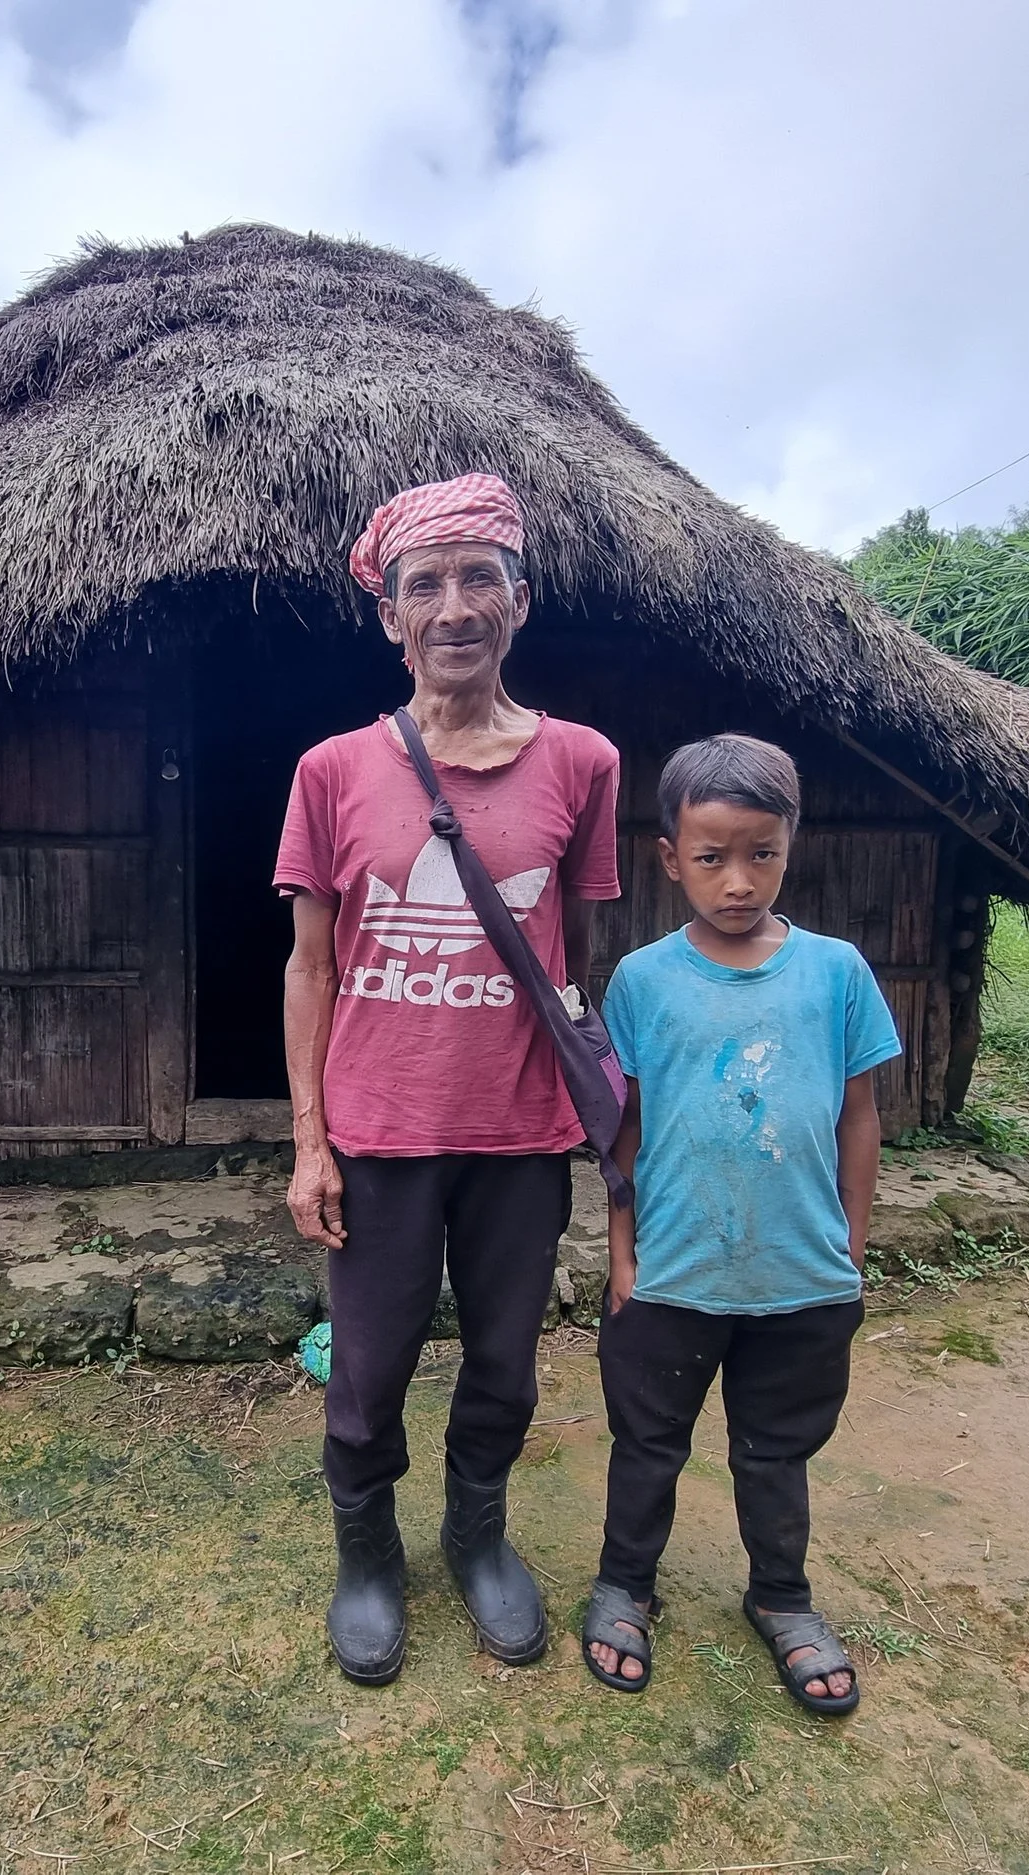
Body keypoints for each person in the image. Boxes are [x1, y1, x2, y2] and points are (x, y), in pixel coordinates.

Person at [275, 473, 621, 1685]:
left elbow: (577, 956)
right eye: (426, 584)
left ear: (520, 603)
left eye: (482, 578)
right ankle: (366, 1557)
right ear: (389, 614)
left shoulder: (584, 764)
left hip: (519, 1135)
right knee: (365, 1374)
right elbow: (310, 970)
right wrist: (311, 1141)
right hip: (378, 1129)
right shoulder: (331, 770)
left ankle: (477, 1537)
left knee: (506, 1361)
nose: (455, 606)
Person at [580, 735, 897, 1713]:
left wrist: (850, 1242)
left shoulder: (835, 972)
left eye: (760, 853)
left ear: (790, 846)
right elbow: (621, 1128)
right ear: (668, 856)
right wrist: (621, 1251)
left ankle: (781, 1597)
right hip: (672, 1271)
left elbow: (859, 1114)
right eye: (711, 856)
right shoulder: (640, 980)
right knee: (648, 1446)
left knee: (775, 1450)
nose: (737, 880)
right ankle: (624, 1585)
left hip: (800, 1275)